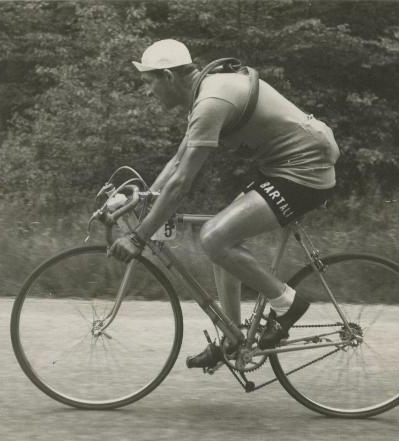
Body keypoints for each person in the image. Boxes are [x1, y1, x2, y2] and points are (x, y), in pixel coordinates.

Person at [109, 39, 340, 369]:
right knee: (222, 237)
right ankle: (233, 340)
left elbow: (181, 183)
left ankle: (286, 303)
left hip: (306, 171)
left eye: (150, 82)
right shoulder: (205, 94)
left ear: (168, 78)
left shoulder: (210, 102)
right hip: (283, 168)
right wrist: (146, 200)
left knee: (214, 237)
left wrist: (138, 237)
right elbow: (177, 162)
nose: (148, 92)